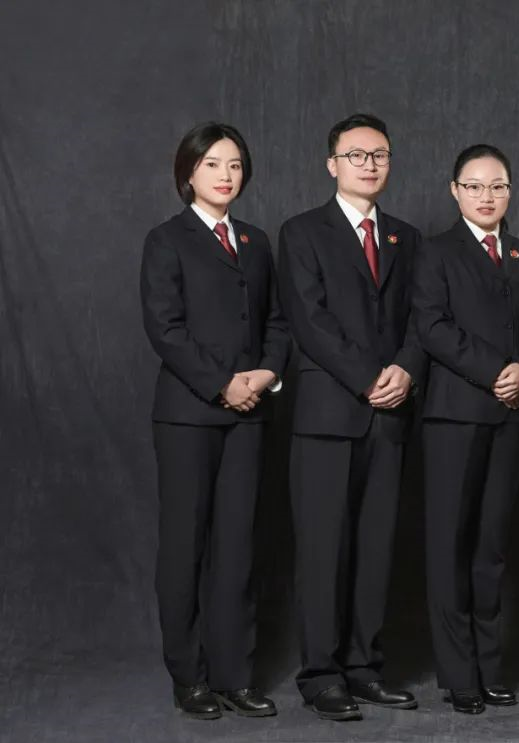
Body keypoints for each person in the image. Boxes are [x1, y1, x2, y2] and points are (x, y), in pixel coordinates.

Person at [277, 113, 426, 721]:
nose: (369, 164)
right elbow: (309, 320)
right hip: (327, 415)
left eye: (380, 154)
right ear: (332, 164)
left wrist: (407, 369)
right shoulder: (301, 232)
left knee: (375, 547)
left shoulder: (406, 238)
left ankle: (364, 667)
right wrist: (369, 377)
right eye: (356, 154)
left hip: (390, 414)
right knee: (323, 549)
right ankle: (320, 674)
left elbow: (422, 317)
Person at [140, 121, 289, 719]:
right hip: (188, 416)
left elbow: (276, 321)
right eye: (212, 164)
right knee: (186, 547)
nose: (226, 175)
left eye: (234, 165)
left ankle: (235, 675)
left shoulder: (254, 241)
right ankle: (190, 678)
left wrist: (265, 374)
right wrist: (223, 383)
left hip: (250, 413)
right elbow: (165, 328)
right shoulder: (166, 240)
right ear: (188, 173)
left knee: (238, 546)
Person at [412, 144, 519, 715]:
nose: (487, 196)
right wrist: (496, 372)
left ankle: (491, 667)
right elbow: (432, 327)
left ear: (510, 191)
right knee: (450, 545)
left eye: (498, 186)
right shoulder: (435, 251)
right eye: (475, 186)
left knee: (492, 547)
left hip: (513, 415)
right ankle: (459, 673)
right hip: (455, 417)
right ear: (455, 191)